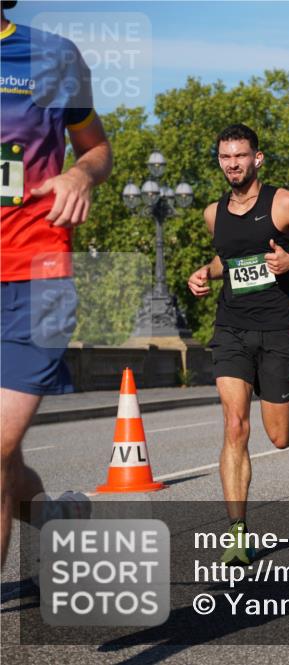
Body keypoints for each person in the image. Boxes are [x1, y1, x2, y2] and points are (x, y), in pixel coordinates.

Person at [187, 124, 289, 564]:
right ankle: (237, 532)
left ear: (258, 158)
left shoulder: (283, 203)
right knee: (235, 426)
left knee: (278, 435)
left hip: (278, 331)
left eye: (241, 156)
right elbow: (228, 259)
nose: (233, 163)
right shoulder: (213, 213)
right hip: (231, 327)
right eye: (225, 157)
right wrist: (204, 273)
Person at [1, 3, 113, 566]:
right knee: (5, 460)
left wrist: (80, 172)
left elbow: (96, 146)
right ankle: (55, 517)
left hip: (31, 281)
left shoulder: (53, 55)